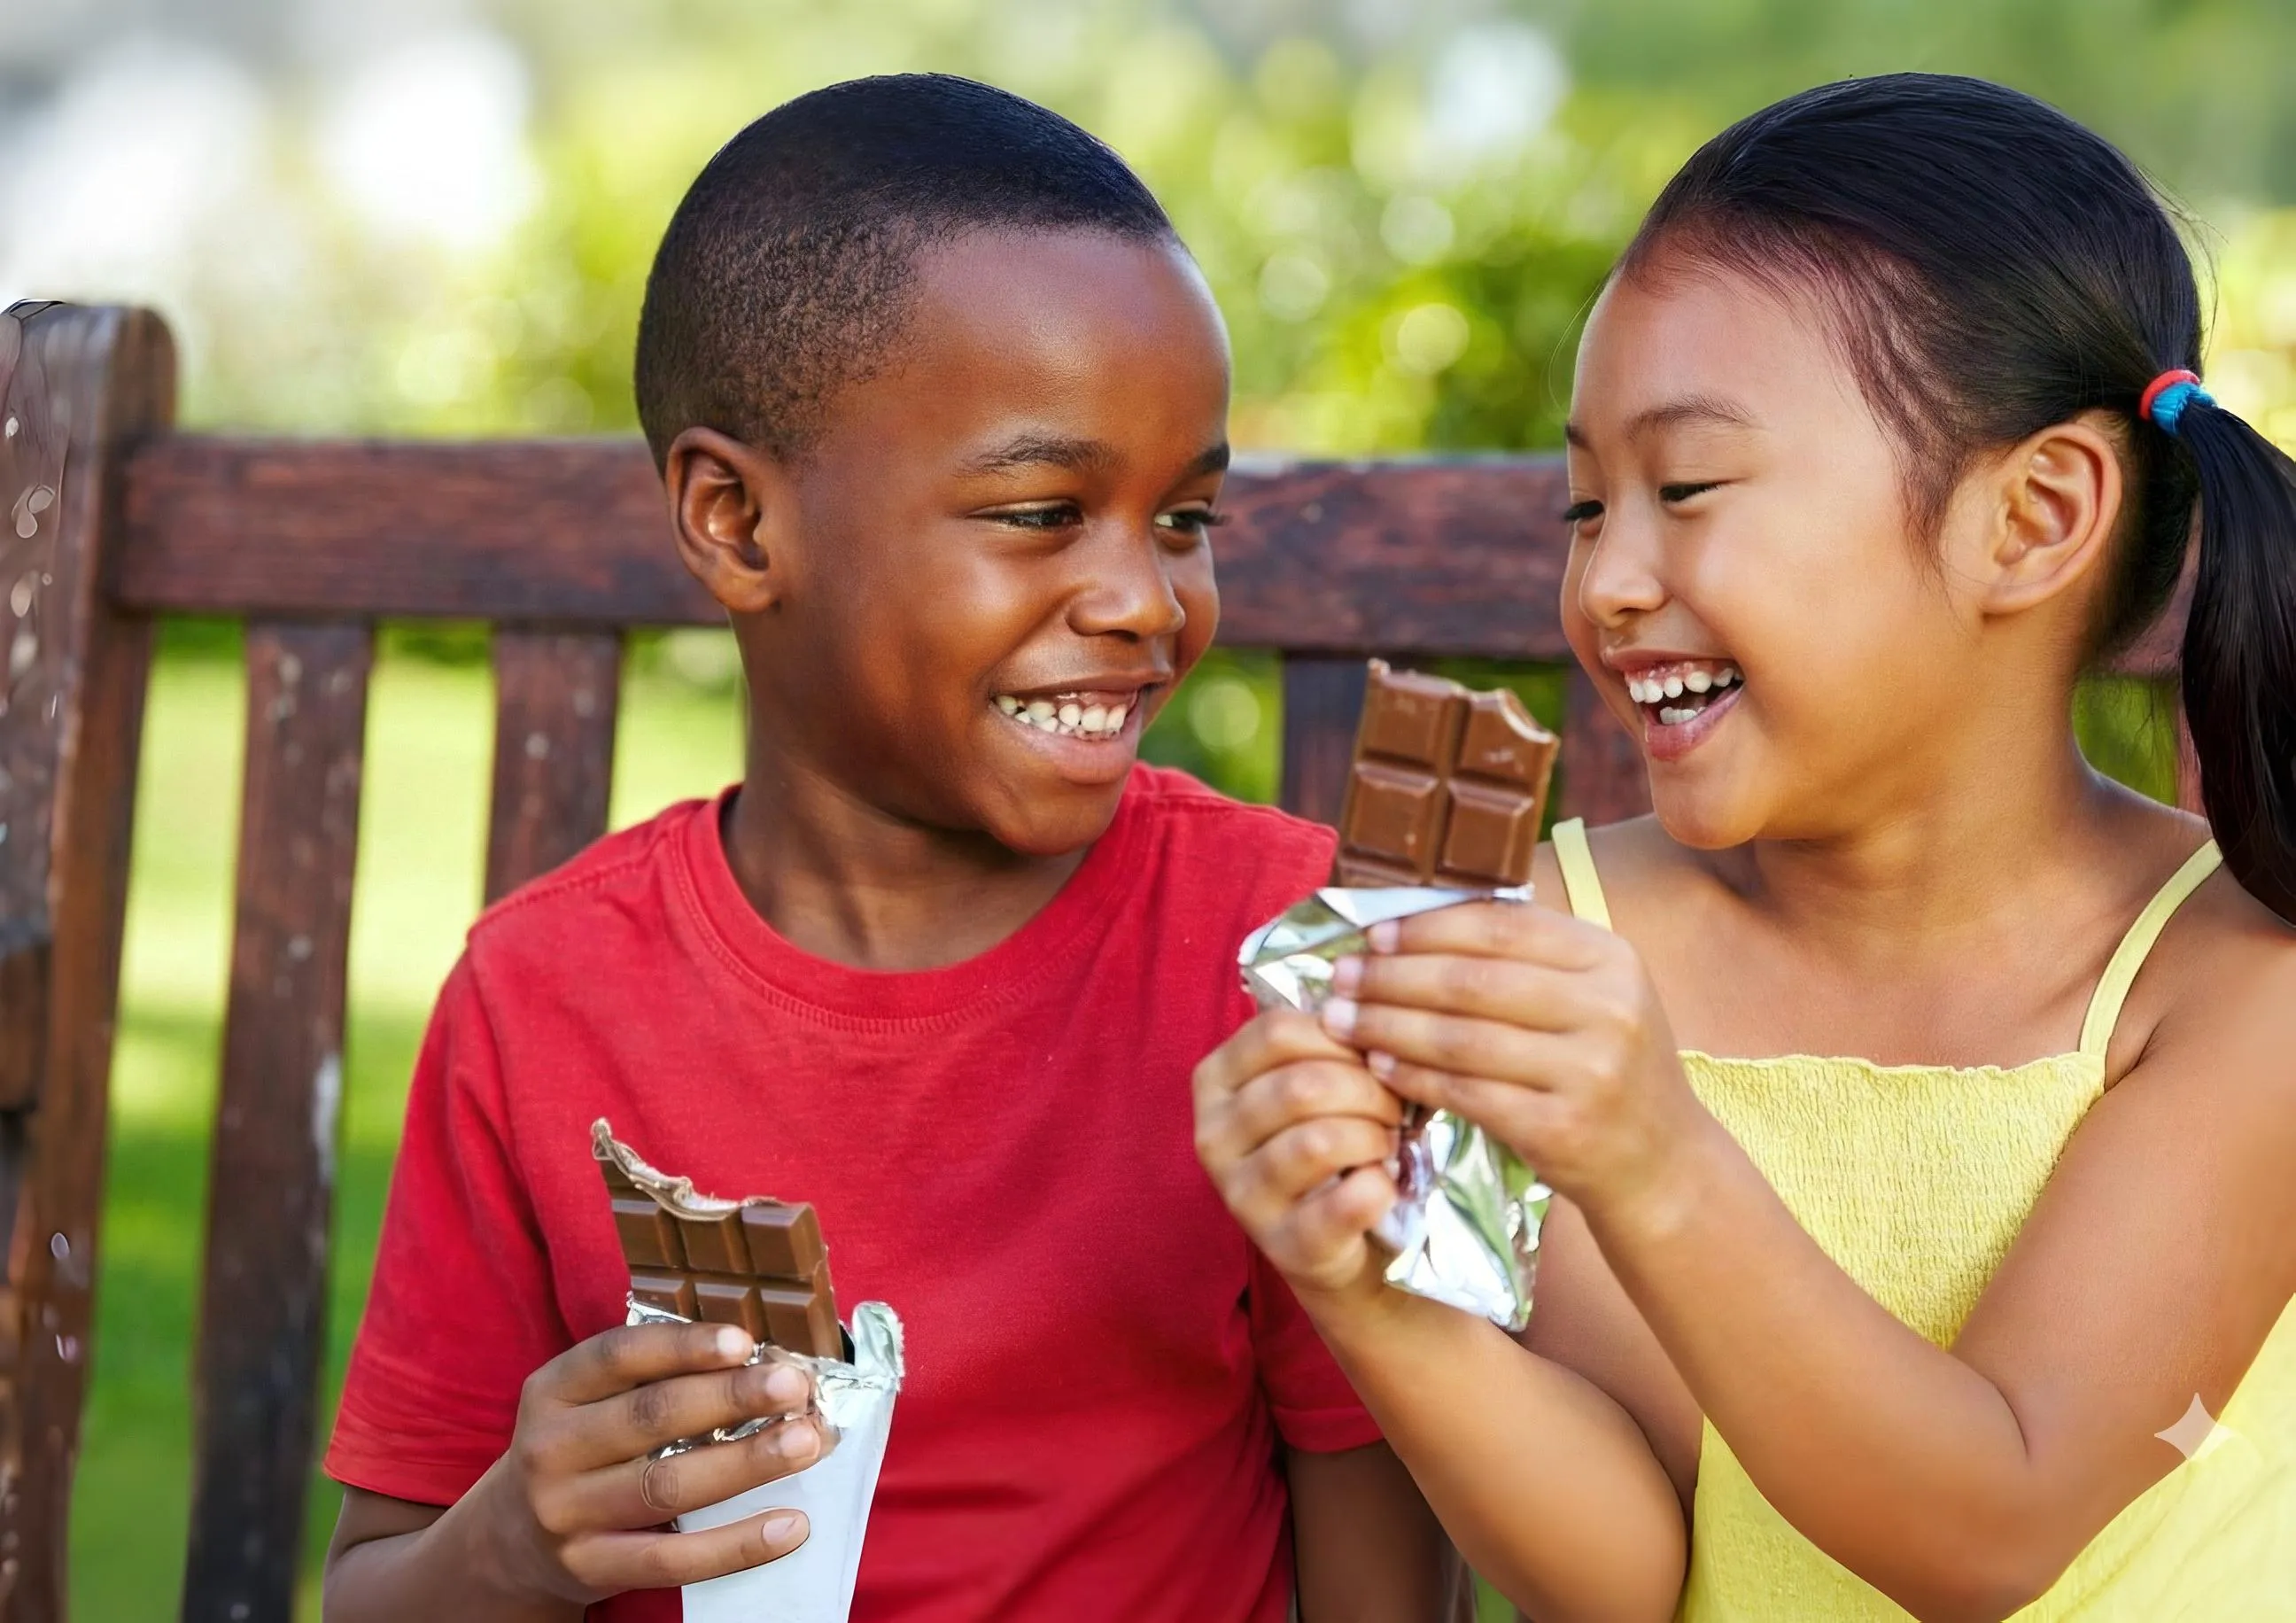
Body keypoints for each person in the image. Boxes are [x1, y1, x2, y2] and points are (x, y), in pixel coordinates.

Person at [320, 74, 1451, 1623]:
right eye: (1042, 511)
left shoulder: (1282, 952)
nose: (1145, 599)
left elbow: (1383, 1566)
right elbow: (379, 1589)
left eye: (1184, 521)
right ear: (736, 521)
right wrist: (517, 1538)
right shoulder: (542, 1003)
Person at [1197, 73, 2296, 1621]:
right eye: (1588, 508)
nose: (1607, 583)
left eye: (1688, 487)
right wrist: (1368, 1286)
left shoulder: (2236, 979)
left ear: (2036, 518)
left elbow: (1989, 1532)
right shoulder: (1550, 946)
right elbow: (1635, 1578)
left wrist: (1653, 1157)